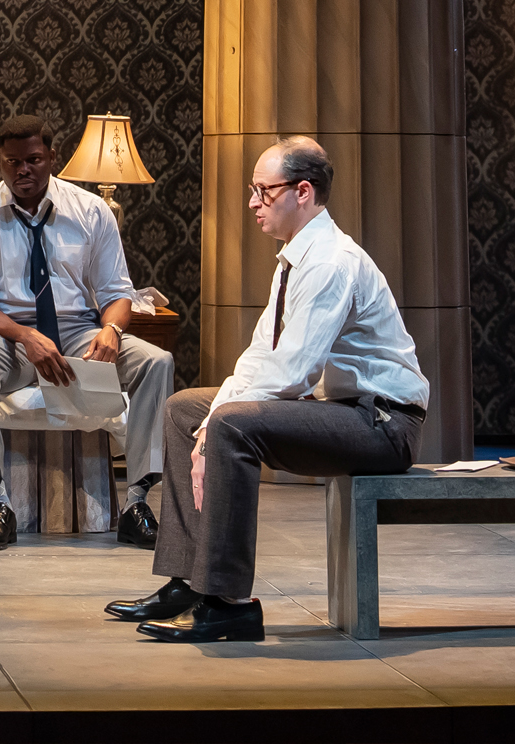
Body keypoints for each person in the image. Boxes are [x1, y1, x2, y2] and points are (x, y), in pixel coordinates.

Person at [106, 136, 427, 643]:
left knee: (230, 421)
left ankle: (228, 602)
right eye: (252, 190)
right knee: (185, 408)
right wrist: (211, 417)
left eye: (263, 190)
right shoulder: (293, 258)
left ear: (303, 191)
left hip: (380, 423)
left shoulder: (329, 261)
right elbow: (260, 357)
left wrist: (222, 422)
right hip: (337, 411)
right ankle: (189, 582)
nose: (252, 202)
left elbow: (295, 370)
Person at [0, 115, 173, 551]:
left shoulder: (91, 211)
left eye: (33, 159)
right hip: (6, 332)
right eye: (12, 162)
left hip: (76, 330)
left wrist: (110, 329)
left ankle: (137, 504)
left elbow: (117, 292)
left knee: (157, 361)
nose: (22, 170)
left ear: (53, 157)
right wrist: (26, 337)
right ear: (0, 161)